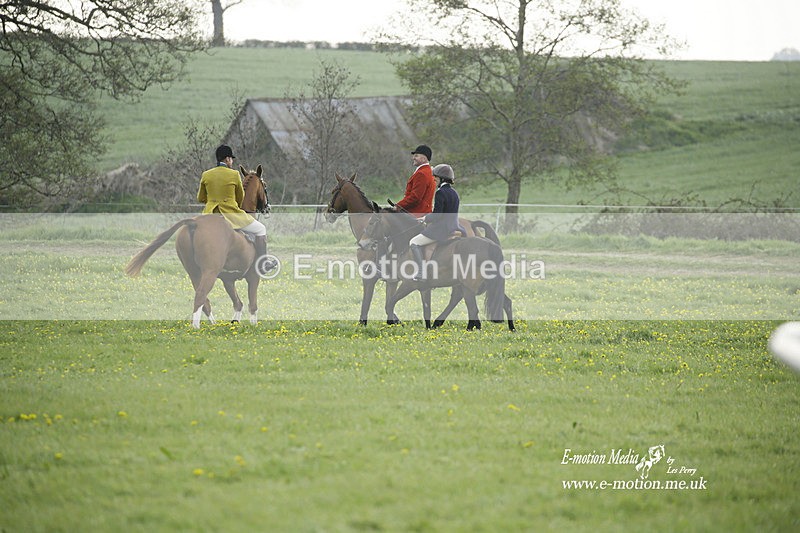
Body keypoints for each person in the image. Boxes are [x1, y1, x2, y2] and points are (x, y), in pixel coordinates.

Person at [197, 145, 276, 276]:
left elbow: (200, 198)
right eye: (231, 159)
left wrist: (212, 201)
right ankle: (263, 263)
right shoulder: (234, 174)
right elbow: (240, 198)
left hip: (209, 215)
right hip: (231, 215)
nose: (231, 161)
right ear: (227, 159)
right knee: (261, 229)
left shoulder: (206, 175)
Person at [408, 163, 465, 281]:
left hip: (441, 230)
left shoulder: (440, 193)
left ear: (442, 179)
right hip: (455, 227)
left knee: (414, 242)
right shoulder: (454, 193)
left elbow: (437, 215)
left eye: (436, 178)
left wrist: (425, 219)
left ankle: (421, 272)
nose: (434, 179)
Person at [394, 144, 436, 216]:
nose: (413, 158)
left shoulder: (421, 174)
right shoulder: (428, 171)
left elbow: (415, 198)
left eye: (416, 156)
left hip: (416, 213)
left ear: (424, 158)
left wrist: (398, 206)